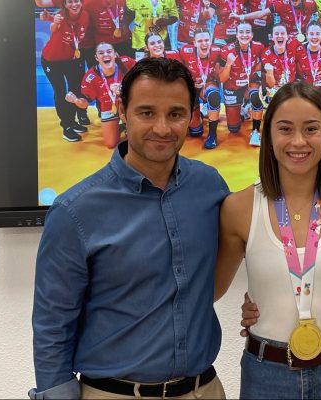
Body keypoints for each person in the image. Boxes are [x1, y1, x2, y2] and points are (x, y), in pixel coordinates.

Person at [30, 57, 228, 399]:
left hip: (203, 390)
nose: (163, 129)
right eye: (147, 112)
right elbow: (52, 323)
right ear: (123, 110)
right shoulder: (74, 211)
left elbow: (266, 219)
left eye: (176, 114)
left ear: (192, 116)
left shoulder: (210, 187)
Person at [213, 81, 321, 399]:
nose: (298, 141)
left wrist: (319, 303)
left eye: (311, 129)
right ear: (268, 136)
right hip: (266, 374)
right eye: (285, 129)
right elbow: (211, 290)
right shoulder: (239, 208)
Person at [38, 0, 92, 142]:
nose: (74, 4)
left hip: (71, 59)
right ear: (65, 5)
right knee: (61, 91)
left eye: (76, 1)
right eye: (70, 2)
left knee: (74, 90)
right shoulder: (60, 16)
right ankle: (66, 126)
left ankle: (72, 120)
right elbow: (53, 27)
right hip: (51, 61)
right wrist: (54, 21)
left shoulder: (85, 15)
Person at [66, 42, 137, 148]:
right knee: (110, 144)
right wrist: (76, 100)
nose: (105, 55)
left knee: (136, 140)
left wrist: (125, 89)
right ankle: (121, 126)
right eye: (101, 53)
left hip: (128, 105)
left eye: (109, 51)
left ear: (115, 54)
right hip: (108, 108)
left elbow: (143, 80)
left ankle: (128, 124)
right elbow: (85, 104)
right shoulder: (90, 77)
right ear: (96, 57)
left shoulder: (126, 63)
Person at [219, 22, 265, 146]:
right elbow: (222, 79)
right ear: (236, 34)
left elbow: (266, 62)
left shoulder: (259, 47)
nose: (244, 35)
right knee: (233, 128)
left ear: (252, 34)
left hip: (250, 83)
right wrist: (228, 64)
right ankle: (244, 108)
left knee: (256, 96)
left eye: (247, 32)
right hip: (232, 86)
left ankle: (255, 132)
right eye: (241, 32)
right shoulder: (226, 50)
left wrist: (255, 69)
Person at [177, 28, 224, 148]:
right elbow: (178, 72)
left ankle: (212, 134)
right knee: (196, 133)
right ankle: (199, 115)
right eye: (200, 41)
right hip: (192, 86)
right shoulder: (184, 51)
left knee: (214, 96)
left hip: (209, 83)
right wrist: (190, 83)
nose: (204, 44)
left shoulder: (217, 50)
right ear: (194, 42)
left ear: (211, 40)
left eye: (207, 40)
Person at [234, 0, 317, 43]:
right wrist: (241, 17)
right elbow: (261, 14)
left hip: (303, 39)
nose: (294, 1)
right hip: (285, 39)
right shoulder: (281, 4)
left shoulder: (311, 4)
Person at [260, 25, 299, 102]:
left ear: (287, 36)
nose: (280, 36)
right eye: (276, 34)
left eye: (283, 33)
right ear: (271, 37)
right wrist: (269, 72)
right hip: (274, 88)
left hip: (291, 86)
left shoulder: (293, 44)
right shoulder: (266, 54)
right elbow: (271, 84)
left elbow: (311, 42)